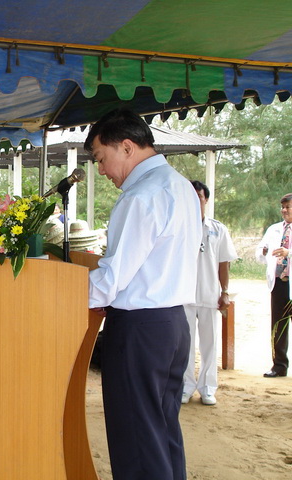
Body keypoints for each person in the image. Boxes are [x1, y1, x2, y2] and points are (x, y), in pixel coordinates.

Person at [85, 108, 201, 480]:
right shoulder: (179, 186)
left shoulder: (140, 196)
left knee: (137, 439)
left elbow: (112, 279)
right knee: (161, 433)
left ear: (127, 146)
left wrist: (61, 295)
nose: (102, 170)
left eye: (101, 158)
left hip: (140, 330)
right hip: (172, 326)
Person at [182, 181, 238, 406]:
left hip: (209, 295)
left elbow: (224, 263)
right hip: (183, 295)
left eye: (199, 196)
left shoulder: (218, 229)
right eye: (191, 195)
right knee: (185, 345)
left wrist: (225, 292)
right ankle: (185, 387)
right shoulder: (179, 226)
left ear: (206, 199)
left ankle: (207, 388)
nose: (195, 200)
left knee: (209, 344)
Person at [255, 192, 292, 378]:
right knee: (278, 326)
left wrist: (289, 252)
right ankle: (279, 365)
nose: (284, 210)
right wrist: (262, 252)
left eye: (288, 207)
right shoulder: (274, 229)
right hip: (279, 284)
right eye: (282, 207)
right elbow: (260, 253)